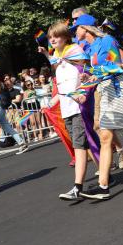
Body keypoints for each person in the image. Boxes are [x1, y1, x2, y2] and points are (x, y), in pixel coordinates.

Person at [72, 15, 123, 201]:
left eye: (77, 28)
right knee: (105, 136)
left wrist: (97, 74)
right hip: (105, 90)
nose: (75, 33)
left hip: (118, 88)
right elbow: (95, 69)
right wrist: (88, 77)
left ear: (85, 28)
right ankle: (103, 186)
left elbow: (115, 65)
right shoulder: (90, 47)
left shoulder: (107, 40)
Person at [43, 21, 93, 202]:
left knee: (80, 146)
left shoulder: (76, 52)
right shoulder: (57, 58)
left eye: (56, 36)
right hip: (67, 109)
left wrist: (83, 94)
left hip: (79, 108)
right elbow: (63, 89)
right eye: (50, 37)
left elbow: (88, 76)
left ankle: (77, 187)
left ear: (65, 37)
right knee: (84, 145)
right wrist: (52, 102)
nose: (52, 39)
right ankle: (105, 173)